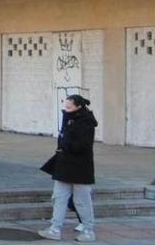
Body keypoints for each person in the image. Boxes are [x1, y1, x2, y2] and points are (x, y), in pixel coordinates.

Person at [39, 94, 98, 242]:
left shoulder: (86, 122)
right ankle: (55, 228)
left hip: (80, 168)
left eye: (69, 107)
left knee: (82, 200)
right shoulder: (69, 119)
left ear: (78, 107)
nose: (66, 110)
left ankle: (88, 230)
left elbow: (82, 145)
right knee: (58, 197)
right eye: (65, 106)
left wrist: (66, 146)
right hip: (64, 166)